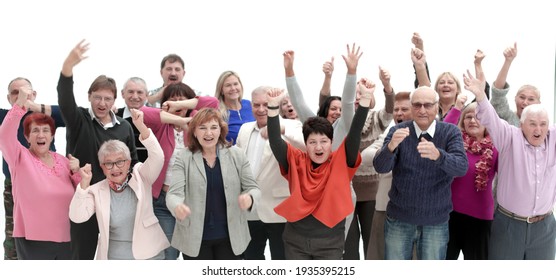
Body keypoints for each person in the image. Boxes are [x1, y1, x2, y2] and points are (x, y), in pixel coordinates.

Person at [266, 79, 375, 260]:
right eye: (312, 142)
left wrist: (365, 99)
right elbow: (275, 141)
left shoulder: (341, 161)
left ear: (331, 143)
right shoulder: (296, 160)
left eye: (324, 142)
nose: (318, 148)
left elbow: (354, 132)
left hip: (330, 243)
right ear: (305, 144)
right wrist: (272, 108)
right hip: (296, 242)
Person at [57, 39, 138, 260]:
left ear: (115, 100)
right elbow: (64, 101)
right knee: (82, 256)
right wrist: (67, 68)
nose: (102, 103)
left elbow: (134, 161)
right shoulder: (79, 119)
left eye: (107, 98)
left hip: (117, 201)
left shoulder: (124, 127)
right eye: (97, 97)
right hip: (87, 197)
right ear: (89, 96)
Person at [463, 70, 556, 260]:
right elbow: (491, 118)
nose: (538, 129)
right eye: (532, 124)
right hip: (508, 226)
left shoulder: (552, 138)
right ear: (521, 124)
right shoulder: (509, 136)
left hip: (544, 227)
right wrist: (480, 96)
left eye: (543, 124)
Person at [373, 85, 468, 260]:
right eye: (417, 105)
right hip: (399, 219)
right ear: (411, 107)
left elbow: (461, 167)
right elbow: (380, 167)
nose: (422, 110)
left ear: (436, 106)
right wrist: (391, 147)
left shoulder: (450, 132)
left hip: (435, 221)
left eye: (427, 105)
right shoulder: (397, 131)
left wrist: (439, 156)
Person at [69, 108, 169, 260]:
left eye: (120, 162)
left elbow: (158, 156)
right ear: (102, 167)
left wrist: (140, 126)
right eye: (108, 163)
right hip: (114, 258)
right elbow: (77, 217)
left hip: (149, 256)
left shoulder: (141, 176)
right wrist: (83, 185)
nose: (115, 168)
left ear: (128, 162)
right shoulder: (97, 189)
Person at [166, 107, 261, 260]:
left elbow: (253, 188)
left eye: (213, 127)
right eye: (202, 128)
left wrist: (249, 198)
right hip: (195, 238)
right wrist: (177, 206)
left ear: (221, 130)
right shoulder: (183, 157)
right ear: (194, 132)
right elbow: (173, 194)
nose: (208, 133)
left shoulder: (237, 155)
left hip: (231, 237)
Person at [0, 86, 80, 259]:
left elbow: (82, 196)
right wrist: (21, 103)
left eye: (46, 130)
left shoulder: (65, 161)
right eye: (34, 131)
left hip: (68, 240)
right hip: (32, 241)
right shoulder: (19, 157)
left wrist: (78, 174)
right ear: (27, 137)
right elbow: (4, 135)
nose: (41, 135)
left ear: (52, 136)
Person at [141, 82, 219, 259]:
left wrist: (180, 105)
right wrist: (180, 120)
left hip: (192, 202)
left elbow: (213, 102)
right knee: (169, 254)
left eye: (182, 100)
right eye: (172, 100)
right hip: (163, 201)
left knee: (195, 254)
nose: (177, 103)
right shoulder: (161, 126)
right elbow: (143, 112)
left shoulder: (198, 125)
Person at [236, 86, 305, 260]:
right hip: (249, 210)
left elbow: (306, 144)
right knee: (251, 260)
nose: (261, 109)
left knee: (281, 261)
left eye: (266, 104)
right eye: (256, 105)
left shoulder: (291, 125)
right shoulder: (245, 129)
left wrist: (280, 129)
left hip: (279, 210)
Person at [343, 67, 394, 260]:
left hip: (372, 192)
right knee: (349, 245)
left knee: (372, 245)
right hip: (347, 192)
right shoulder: (344, 120)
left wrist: (387, 86)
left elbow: (390, 109)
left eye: (362, 94)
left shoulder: (376, 120)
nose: (358, 97)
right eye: (355, 94)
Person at [443, 99, 499, 260]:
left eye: (478, 116)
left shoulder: (496, 147)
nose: (473, 120)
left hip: (480, 219)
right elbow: (442, 131)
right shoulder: (454, 142)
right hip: (449, 215)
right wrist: (457, 108)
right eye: (468, 117)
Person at [363, 91, 413, 260]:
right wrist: (389, 150)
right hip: (385, 208)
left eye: (404, 109)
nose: (399, 113)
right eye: (396, 109)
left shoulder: (427, 137)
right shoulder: (388, 134)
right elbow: (365, 156)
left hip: (415, 212)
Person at [490, 42, 541, 127]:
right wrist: (508, 61)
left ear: (538, 103)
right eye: (522, 97)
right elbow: (497, 93)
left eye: (531, 99)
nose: (525, 102)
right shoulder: (508, 117)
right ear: (515, 99)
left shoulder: (542, 124)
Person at [214, 70, 255, 144]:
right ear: (221, 90)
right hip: (231, 154)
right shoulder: (217, 112)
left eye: (235, 84)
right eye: (228, 85)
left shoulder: (250, 105)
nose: (233, 88)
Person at [116, 77, 149, 162]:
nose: (135, 96)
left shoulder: (155, 118)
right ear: (123, 94)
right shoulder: (114, 117)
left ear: (147, 95)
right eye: (130, 92)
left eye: (140, 92)